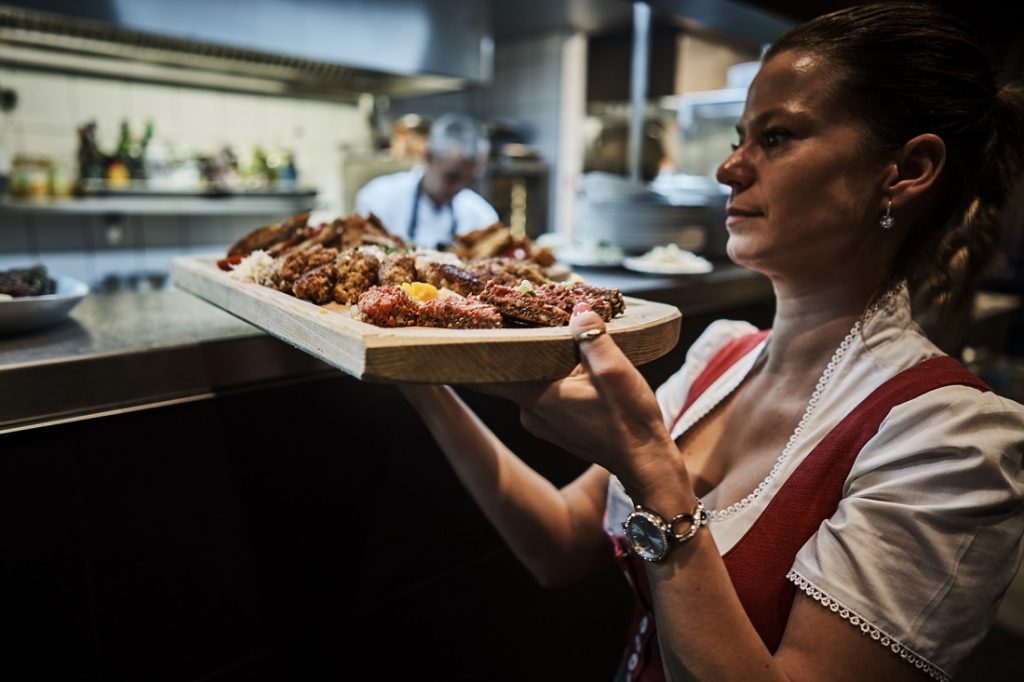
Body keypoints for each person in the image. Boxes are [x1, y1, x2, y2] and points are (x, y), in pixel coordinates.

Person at [398, 3, 1024, 680]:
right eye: (738, 137)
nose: (729, 168)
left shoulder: (949, 444)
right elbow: (558, 543)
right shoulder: (719, 359)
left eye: (777, 137)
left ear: (906, 170)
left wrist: (649, 468)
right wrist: (422, 377)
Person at [355, 112, 499, 249]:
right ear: (428, 156)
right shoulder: (378, 198)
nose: (459, 188)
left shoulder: (482, 217)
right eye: (452, 177)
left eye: (469, 180)